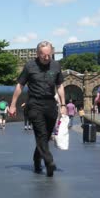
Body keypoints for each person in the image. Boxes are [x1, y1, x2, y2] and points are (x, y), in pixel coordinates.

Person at [9, 41, 66, 177]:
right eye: (43, 55)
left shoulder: (56, 65)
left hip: (50, 104)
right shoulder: (30, 66)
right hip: (34, 103)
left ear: (52, 52)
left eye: (49, 55)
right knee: (41, 134)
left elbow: (60, 86)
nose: (46, 58)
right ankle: (49, 162)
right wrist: (12, 104)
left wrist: (63, 105)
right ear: (37, 53)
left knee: (45, 136)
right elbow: (19, 86)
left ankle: (37, 158)